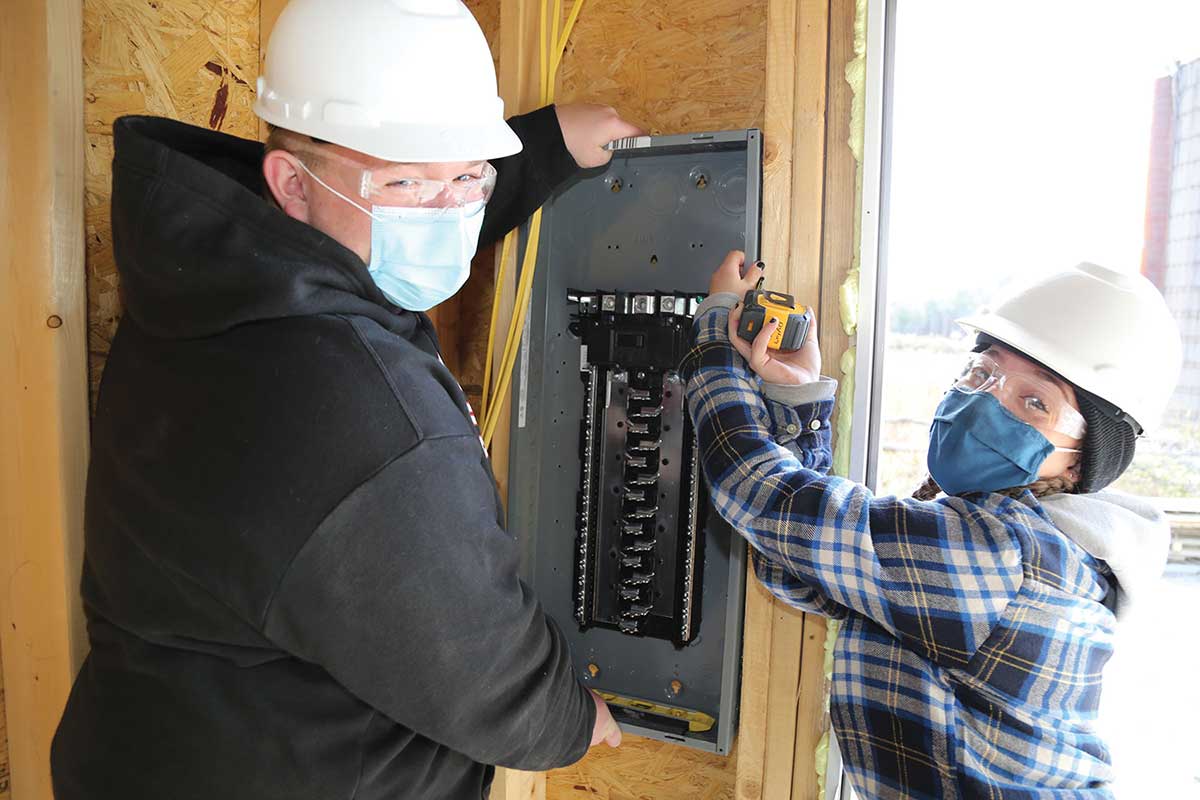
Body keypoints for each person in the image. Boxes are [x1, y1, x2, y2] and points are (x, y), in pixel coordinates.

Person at [51, 1, 641, 797]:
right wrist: (574, 719)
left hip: (165, 741)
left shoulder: (220, 274)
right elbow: (488, 683)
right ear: (291, 184)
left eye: (470, 174)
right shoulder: (371, 425)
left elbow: (401, 219)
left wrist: (534, 151)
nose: (450, 214)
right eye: (405, 179)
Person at [682, 251, 1181, 798]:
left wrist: (715, 327)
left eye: (1034, 402)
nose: (985, 401)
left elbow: (755, 489)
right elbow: (804, 567)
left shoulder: (1003, 556)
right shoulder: (1029, 542)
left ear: (1081, 462)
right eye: (983, 371)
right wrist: (797, 393)